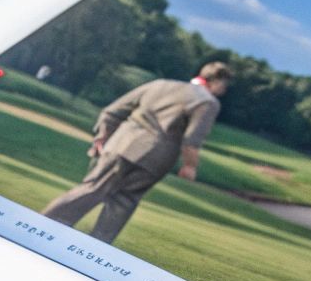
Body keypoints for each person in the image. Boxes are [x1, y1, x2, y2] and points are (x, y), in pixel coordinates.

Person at [40, 61, 232, 243]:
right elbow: (192, 140)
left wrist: (103, 136)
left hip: (120, 143)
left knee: (94, 188)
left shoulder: (160, 84)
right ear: (216, 81)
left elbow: (112, 111)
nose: (224, 91)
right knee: (123, 201)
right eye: (224, 85)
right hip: (155, 158)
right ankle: (86, 243)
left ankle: (48, 226)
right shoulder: (208, 102)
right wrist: (190, 165)